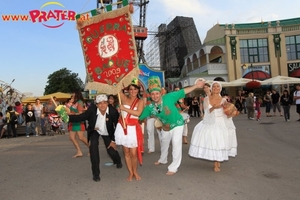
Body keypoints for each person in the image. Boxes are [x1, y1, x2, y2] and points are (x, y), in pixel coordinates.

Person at [139, 76, 205, 176]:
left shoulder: (169, 97)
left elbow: (184, 91)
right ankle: (163, 159)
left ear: (160, 93)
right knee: (164, 142)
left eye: (157, 93)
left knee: (176, 143)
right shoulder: (150, 107)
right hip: (166, 127)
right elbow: (140, 117)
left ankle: (174, 167)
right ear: (150, 95)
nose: (155, 96)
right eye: (152, 94)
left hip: (177, 124)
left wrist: (196, 85)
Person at [67, 94, 122, 182]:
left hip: (107, 131)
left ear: (107, 103)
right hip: (94, 130)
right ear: (96, 105)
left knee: (111, 150)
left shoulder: (113, 111)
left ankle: (117, 161)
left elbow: (118, 126)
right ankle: (96, 174)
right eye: (100, 103)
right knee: (93, 150)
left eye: (104, 103)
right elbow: (81, 117)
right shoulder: (92, 110)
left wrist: (113, 140)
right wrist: (67, 118)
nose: (102, 105)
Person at [188, 81, 237, 172]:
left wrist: (232, 112)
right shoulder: (207, 99)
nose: (215, 88)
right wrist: (214, 107)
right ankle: (216, 162)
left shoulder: (224, 100)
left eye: (217, 86)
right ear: (211, 88)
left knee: (221, 142)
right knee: (214, 141)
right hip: (211, 121)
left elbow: (227, 112)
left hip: (221, 122)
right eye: (214, 86)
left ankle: (217, 160)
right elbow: (207, 112)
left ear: (220, 89)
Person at [115, 78, 144, 181]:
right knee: (126, 152)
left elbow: (138, 113)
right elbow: (116, 88)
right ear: (128, 90)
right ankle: (130, 173)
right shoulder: (123, 98)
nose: (133, 91)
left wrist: (124, 108)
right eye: (131, 89)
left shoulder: (140, 101)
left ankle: (135, 171)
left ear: (138, 90)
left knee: (133, 153)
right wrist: (117, 78)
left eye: (135, 89)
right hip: (123, 127)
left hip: (133, 129)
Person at [68, 90, 89, 158]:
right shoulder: (73, 102)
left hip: (78, 121)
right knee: (72, 137)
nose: (72, 94)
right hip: (72, 121)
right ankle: (79, 151)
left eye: (73, 93)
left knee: (81, 137)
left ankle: (92, 148)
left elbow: (80, 112)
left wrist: (71, 114)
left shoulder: (79, 102)